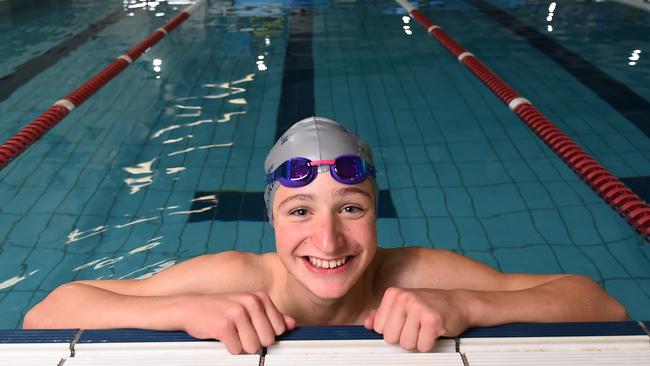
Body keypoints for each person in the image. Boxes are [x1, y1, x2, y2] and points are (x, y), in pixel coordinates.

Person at [24, 116, 628, 354]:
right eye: (299, 212)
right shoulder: (237, 277)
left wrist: (466, 305)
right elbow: (45, 315)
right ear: (271, 219)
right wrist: (187, 310)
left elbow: (602, 305)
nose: (329, 241)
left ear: (376, 211)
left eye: (350, 208)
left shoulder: (416, 273)